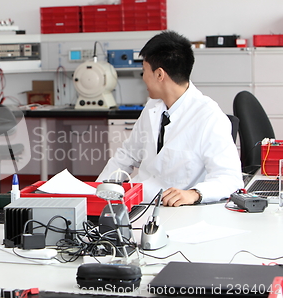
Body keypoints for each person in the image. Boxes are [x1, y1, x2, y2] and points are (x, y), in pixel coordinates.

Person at [97, 31, 243, 206]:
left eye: (144, 71)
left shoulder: (209, 116)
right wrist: (97, 191)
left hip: (180, 211)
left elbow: (230, 178)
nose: (142, 78)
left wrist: (195, 193)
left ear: (159, 75)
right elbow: (126, 155)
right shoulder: (153, 106)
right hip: (142, 204)